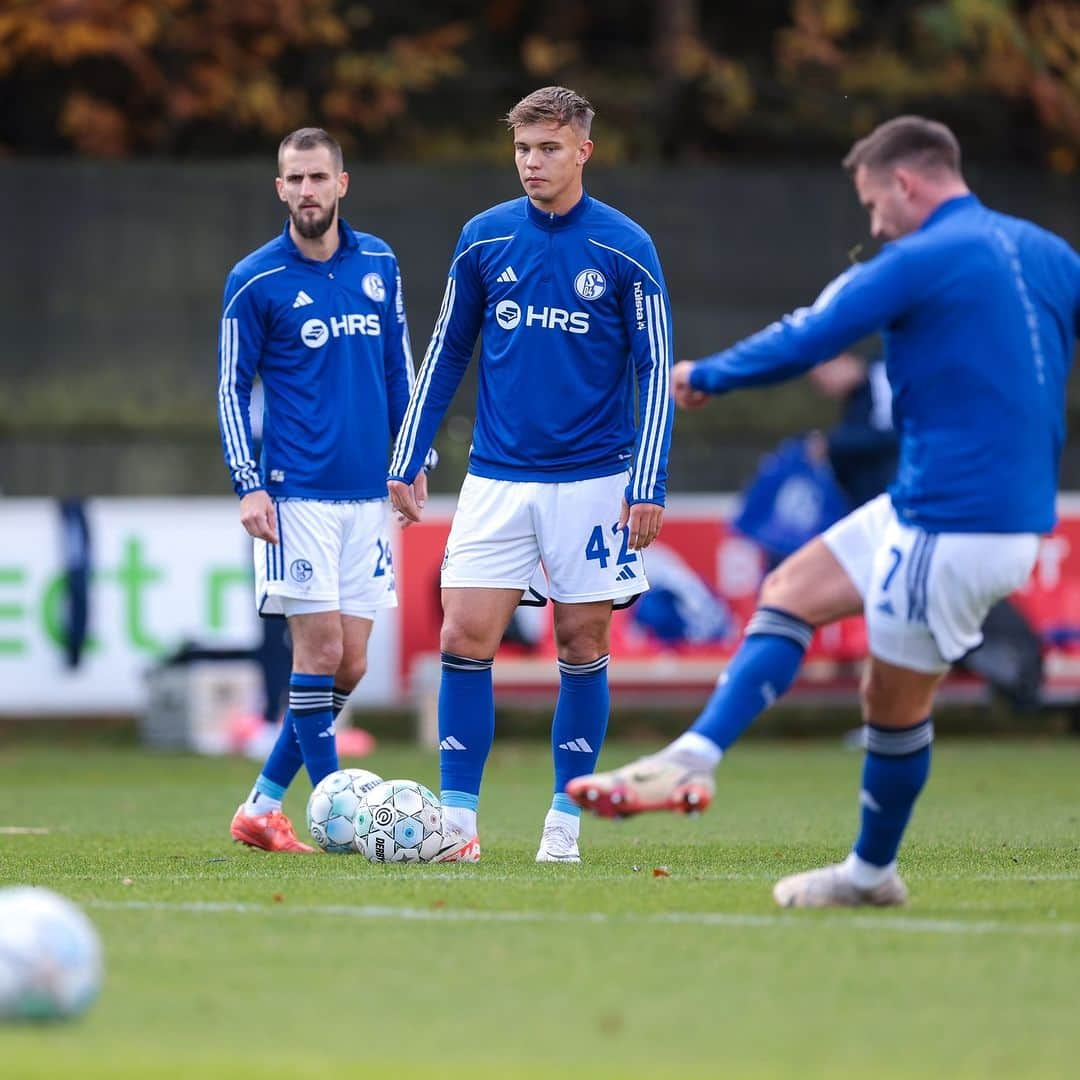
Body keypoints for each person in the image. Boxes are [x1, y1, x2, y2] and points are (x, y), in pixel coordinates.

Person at [568, 115, 1080, 905]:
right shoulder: (1048, 253)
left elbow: (811, 335)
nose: (873, 224)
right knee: (792, 591)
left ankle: (869, 875)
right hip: (959, 508)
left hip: (952, 523)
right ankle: (693, 757)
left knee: (891, 702)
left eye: (875, 204)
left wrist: (708, 373)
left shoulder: (920, 258)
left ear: (907, 183)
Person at [388, 86, 674, 864]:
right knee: (463, 634)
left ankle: (564, 822)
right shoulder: (484, 239)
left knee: (581, 641)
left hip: (592, 480)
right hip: (496, 478)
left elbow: (653, 371)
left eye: (547, 148)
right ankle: (455, 825)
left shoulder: (625, 248)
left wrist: (646, 483)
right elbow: (448, 348)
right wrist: (408, 454)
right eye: (522, 149)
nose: (532, 163)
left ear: (583, 149)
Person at [218, 127, 423, 853]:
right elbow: (230, 390)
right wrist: (249, 485)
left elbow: (401, 367)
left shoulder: (380, 263)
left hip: (367, 493)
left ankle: (260, 805)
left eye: (317, 177)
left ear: (342, 183)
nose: (306, 190)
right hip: (294, 492)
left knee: (354, 662)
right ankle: (342, 822)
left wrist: (411, 455)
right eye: (293, 179)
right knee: (321, 650)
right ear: (280, 189)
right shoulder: (255, 279)